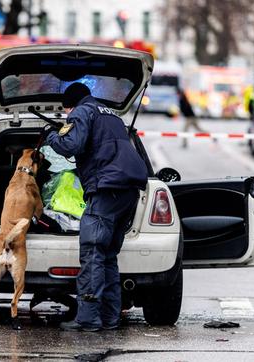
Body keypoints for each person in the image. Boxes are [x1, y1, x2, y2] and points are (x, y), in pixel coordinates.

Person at [43, 83, 148, 332]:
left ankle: (88, 319)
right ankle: (110, 319)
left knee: (92, 253)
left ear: (71, 105)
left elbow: (71, 146)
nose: (68, 115)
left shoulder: (81, 112)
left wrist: (52, 135)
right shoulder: (111, 114)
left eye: (66, 110)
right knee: (107, 256)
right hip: (128, 192)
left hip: (106, 190)